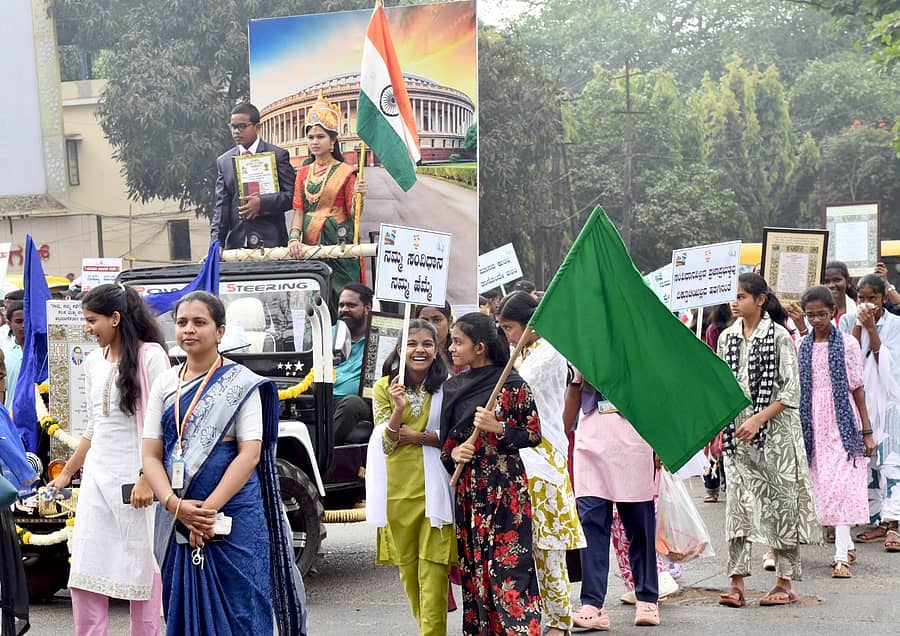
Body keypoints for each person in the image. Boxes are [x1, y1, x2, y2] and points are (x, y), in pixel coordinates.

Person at [141, 291, 306, 636]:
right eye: (182, 322)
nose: (189, 330)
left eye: (199, 322)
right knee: (182, 610)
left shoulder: (241, 384)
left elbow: (250, 454)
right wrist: (176, 507)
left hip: (234, 513)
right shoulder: (165, 383)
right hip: (175, 515)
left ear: (220, 331)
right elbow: (151, 454)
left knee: (241, 609)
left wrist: (205, 513)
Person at [46, 284, 170, 635]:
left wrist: (147, 477)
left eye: (91, 320)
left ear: (115, 318)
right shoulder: (92, 362)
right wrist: (67, 474)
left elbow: (158, 422)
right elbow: (93, 425)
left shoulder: (151, 356)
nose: (87, 328)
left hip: (136, 483)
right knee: (86, 569)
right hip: (97, 480)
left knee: (142, 572)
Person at [716, 273, 821, 609]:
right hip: (738, 438)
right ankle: (736, 583)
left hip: (775, 436)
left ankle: (784, 581)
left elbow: (791, 392)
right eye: (733, 296)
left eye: (742, 296)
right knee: (737, 508)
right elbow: (721, 386)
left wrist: (758, 418)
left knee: (781, 505)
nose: (735, 302)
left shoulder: (779, 337)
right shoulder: (727, 337)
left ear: (760, 300)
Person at [440, 312, 542, 635]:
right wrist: (455, 453)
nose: (452, 348)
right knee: (475, 570)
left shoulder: (512, 384)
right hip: (471, 492)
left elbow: (533, 434)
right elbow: (448, 443)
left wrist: (498, 428)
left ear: (480, 347)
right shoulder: (453, 387)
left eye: (459, 342)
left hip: (506, 491)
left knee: (509, 569)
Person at [496, 292, 585, 635]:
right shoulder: (524, 353)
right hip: (522, 459)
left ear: (531, 324)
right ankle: (531, 617)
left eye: (511, 328)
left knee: (549, 550)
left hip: (544, 460)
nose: (508, 336)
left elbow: (519, 388)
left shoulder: (548, 355)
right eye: (502, 329)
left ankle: (560, 620)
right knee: (523, 549)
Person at [366, 319, 455, 635]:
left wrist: (418, 437)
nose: (420, 350)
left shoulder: (449, 387)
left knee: (434, 572)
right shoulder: (383, 388)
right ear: (399, 349)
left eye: (427, 344)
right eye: (412, 344)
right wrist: (399, 408)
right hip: (398, 492)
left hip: (438, 492)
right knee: (410, 573)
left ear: (436, 349)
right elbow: (388, 442)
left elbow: (454, 436)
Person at [568, 374, 661, 629]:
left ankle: (647, 596)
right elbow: (571, 405)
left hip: (634, 439)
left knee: (639, 525)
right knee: (591, 525)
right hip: (590, 441)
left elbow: (657, 397)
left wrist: (660, 444)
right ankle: (592, 603)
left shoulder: (640, 350)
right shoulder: (582, 351)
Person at [797, 285, 874, 577]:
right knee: (820, 485)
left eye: (822, 314)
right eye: (811, 315)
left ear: (833, 312)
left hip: (842, 422)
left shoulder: (848, 345)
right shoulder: (800, 346)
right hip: (812, 423)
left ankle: (841, 555)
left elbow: (857, 389)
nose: (816, 320)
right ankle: (847, 543)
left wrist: (866, 431)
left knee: (842, 485)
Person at [839, 274, 900, 549]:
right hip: (859, 399)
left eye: (872, 299)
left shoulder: (896, 324)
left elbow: (889, 364)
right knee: (866, 461)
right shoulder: (847, 322)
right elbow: (846, 358)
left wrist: (872, 329)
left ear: (884, 299)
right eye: (861, 299)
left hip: (888, 401)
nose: (866, 304)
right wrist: (859, 328)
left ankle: (895, 523)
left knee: (891, 460)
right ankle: (875, 519)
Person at [287, 93, 367, 297]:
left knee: (343, 298)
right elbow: (298, 212)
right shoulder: (303, 173)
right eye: (311, 137)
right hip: (310, 244)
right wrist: (294, 239)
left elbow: (353, 213)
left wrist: (360, 195)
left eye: (320, 137)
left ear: (332, 141)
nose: (315, 142)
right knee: (316, 297)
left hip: (339, 243)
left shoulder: (346, 172)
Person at [210, 102, 297, 250]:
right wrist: (217, 242)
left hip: (272, 243)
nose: (236, 131)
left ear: (257, 127)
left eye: (242, 126)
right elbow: (221, 207)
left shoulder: (278, 155)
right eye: (233, 127)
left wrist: (262, 203)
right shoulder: (224, 161)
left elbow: (292, 196)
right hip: (236, 244)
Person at [333, 283, 374, 445]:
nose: (344, 310)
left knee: (351, 404)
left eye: (351, 305)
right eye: (341, 305)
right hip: (325, 400)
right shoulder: (328, 333)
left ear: (367, 308)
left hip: (360, 404)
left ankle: (317, 459)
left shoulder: (379, 336)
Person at [2, 302, 24, 413]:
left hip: (42, 420)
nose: (24, 325)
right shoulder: (4, 353)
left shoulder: (44, 354)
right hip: (11, 419)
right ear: (9, 323)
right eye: (19, 322)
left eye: (27, 321)